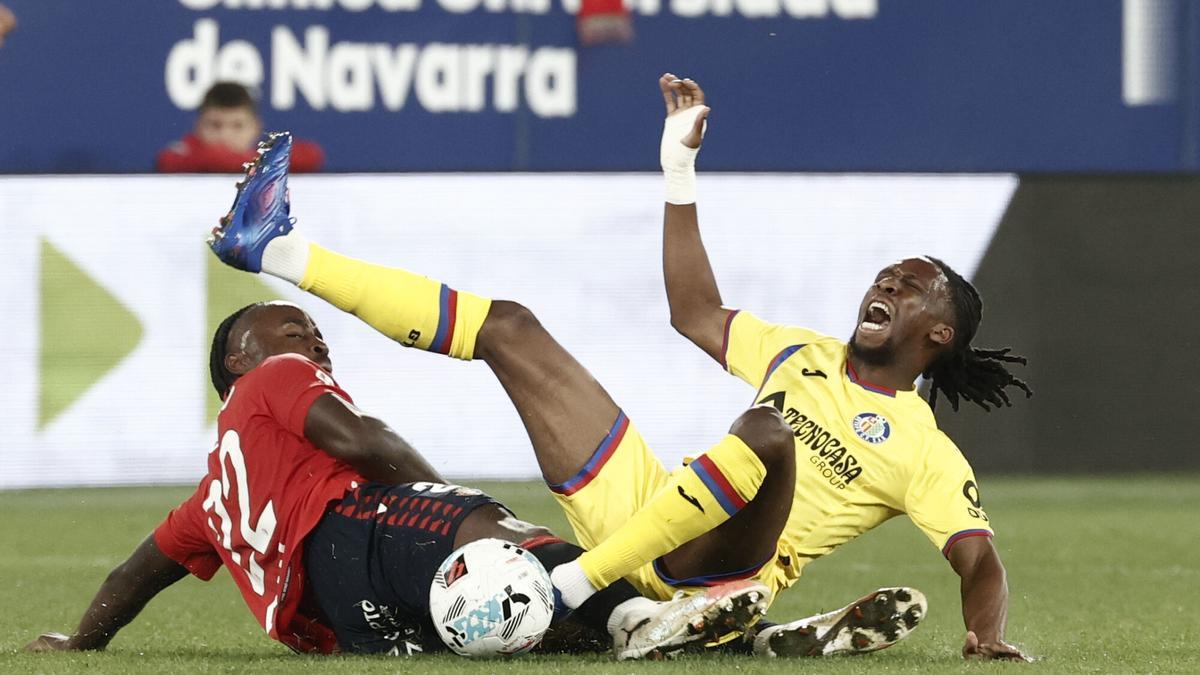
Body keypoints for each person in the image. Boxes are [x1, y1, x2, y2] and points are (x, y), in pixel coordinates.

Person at [197, 130, 934, 659]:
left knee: (766, 436)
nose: (887, 287)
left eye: (911, 287)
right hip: (647, 506)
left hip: (716, 555)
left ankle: (704, 616)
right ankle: (276, 249)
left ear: (940, 335)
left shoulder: (928, 448)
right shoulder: (804, 352)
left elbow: (979, 555)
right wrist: (678, 167)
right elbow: (695, 313)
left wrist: (988, 629)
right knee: (510, 327)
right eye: (887, 277)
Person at [23, 286, 771, 655]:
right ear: (237, 358)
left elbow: (136, 573)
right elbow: (358, 436)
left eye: (314, 332)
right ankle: (638, 614)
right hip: (348, 538)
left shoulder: (210, 499)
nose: (310, 339)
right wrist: (447, 499)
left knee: (519, 623)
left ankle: (644, 639)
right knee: (494, 540)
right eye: (290, 329)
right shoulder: (270, 378)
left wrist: (81, 643)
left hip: (341, 627)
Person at [156, 82, 324, 173]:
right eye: (215, 125)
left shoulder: (260, 157)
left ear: (256, 128)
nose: (225, 135)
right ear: (198, 126)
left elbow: (311, 155)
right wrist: (259, 163)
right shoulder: (181, 155)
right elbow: (169, 160)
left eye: (237, 126)